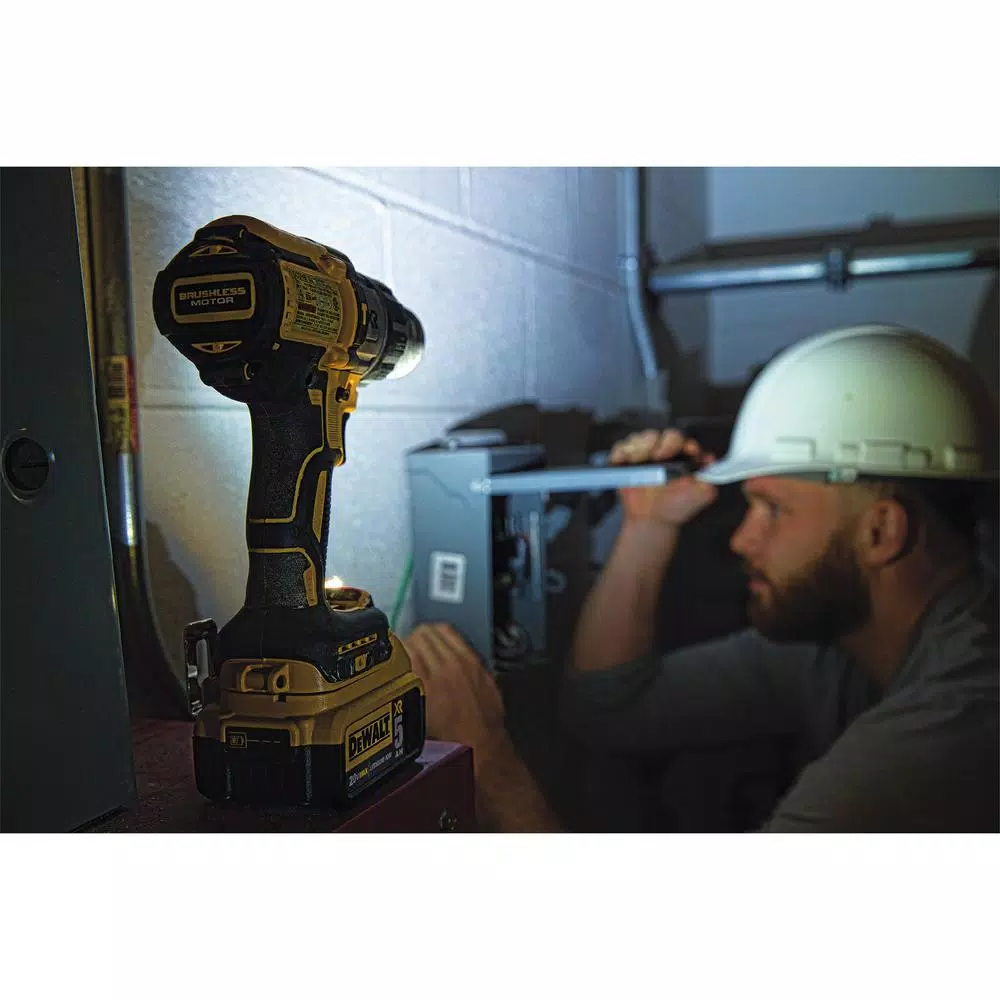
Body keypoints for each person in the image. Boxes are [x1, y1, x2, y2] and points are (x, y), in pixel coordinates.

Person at [403, 324, 999, 832]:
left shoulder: (960, 725)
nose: (741, 539)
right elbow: (609, 709)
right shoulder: (840, 650)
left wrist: (483, 763)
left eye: (773, 509)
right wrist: (649, 526)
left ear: (881, 531)